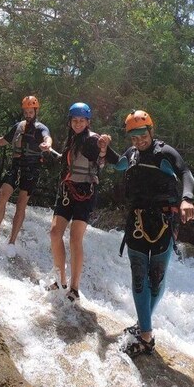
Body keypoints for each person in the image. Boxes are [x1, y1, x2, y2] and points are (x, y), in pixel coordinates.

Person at [105, 109, 194, 358]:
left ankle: (142, 326)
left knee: (155, 277)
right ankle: (146, 335)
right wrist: (106, 149)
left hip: (165, 221)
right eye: (133, 137)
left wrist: (187, 199)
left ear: (150, 131)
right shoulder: (132, 154)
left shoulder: (164, 153)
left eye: (142, 135)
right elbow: (119, 165)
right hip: (137, 220)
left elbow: (185, 173)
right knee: (138, 275)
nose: (138, 141)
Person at [48, 102, 119, 302]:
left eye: (81, 120)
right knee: (54, 233)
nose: (78, 123)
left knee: (75, 239)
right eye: (74, 120)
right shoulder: (71, 140)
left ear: (88, 122)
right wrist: (50, 150)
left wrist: (104, 148)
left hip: (85, 193)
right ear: (70, 121)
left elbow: (112, 158)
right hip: (67, 191)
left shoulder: (93, 140)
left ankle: (74, 288)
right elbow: (66, 161)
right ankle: (60, 280)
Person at [0, 95, 52, 258]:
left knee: (21, 204)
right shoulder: (18, 127)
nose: (28, 114)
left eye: (31, 111)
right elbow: (3, 141)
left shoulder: (40, 128)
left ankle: (11, 242)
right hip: (16, 166)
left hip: (31, 169)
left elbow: (47, 137)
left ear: (36, 111)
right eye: (26, 111)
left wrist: (47, 144)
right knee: (2, 195)